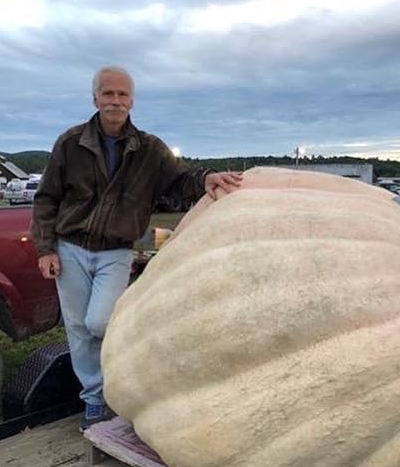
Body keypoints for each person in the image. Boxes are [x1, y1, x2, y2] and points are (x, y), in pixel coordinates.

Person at [31, 65, 242, 432]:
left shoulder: (149, 149)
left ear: (132, 100)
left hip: (116, 251)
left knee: (101, 321)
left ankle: (127, 382)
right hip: (70, 248)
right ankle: (95, 401)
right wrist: (45, 249)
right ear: (95, 98)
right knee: (79, 328)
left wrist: (207, 177)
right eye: (108, 94)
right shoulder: (70, 143)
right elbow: (47, 198)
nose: (116, 101)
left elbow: (181, 175)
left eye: (122, 94)